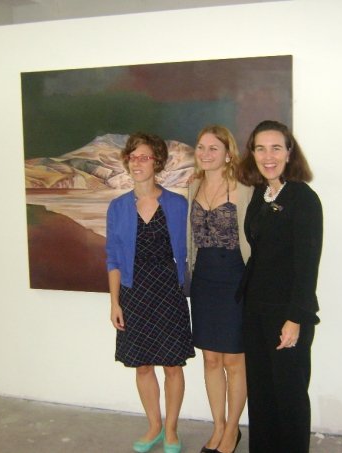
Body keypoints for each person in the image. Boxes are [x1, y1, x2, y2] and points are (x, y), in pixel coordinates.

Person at [237, 120, 323, 453]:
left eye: (276, 148)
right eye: (260, 148)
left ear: (289, 153)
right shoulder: (261, 194)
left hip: (287, 314)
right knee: (261, 395)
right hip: (256, 310)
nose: (268, 156)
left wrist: (295, 318)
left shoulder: (304, 199)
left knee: (289, 397)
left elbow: (307, 265)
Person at [106, 132, 195, 453]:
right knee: (142, 365)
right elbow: (113, 258)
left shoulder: (177, 204)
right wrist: (115, 302)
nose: (137, 163)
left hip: (168, 292)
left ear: (156, 162)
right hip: (134, 292)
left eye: (144, 157)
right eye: (133, 157)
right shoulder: (118, 207)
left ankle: (171, 430)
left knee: (172, 365)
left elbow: (191, 250)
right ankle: (154, 425)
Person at [187, 125, 252, 453]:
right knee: (211, 359)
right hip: (204, 279)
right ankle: (218, 427)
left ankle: (232, 430)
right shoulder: (193, 186)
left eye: (213, 148)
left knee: (234, 361)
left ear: (228, 153)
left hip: (235, 279)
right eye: (201, 147)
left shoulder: (244, 188)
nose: (205, 153)